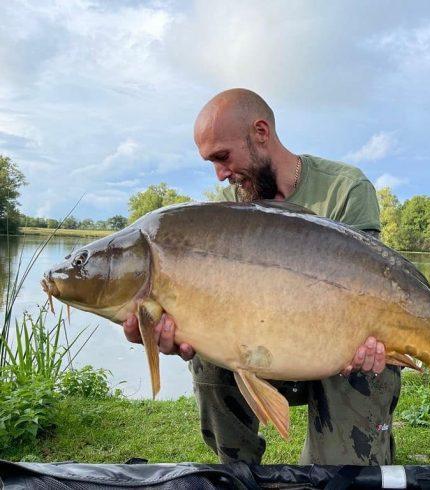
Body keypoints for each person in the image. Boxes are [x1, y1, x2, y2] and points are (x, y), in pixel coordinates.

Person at [123, 89, 401, 466]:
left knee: (340, 471)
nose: (221, 174)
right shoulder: (237, 211)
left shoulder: (345, 188)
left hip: (345, 352)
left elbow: (372, 283)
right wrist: (182, 327)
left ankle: (350, 458)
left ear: (260, 132)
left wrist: (369, 337)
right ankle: (239, 471)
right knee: (208, 354)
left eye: (222, 157)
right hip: (273, 352)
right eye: (211, 163)